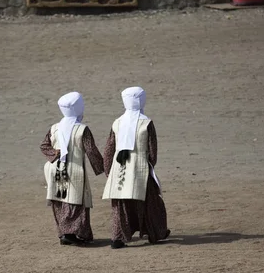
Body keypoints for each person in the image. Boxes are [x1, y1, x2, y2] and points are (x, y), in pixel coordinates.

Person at [102, 86, 170, 249]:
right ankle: (156, 232)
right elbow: (152, 151)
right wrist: (149, 165)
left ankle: (117, 237)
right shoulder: (146, 123)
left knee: (121, 205)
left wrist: (109, 170)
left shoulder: (117, 123)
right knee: (151, 201)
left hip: (119, 168)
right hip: (139, 168)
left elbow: (109, 149)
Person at [40, 92, 104, 246]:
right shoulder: (82, 130)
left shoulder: (54, 128)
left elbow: (44, 146)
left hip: (55, 169)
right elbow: (91, 151)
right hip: (73, 171)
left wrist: (54, 154)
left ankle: (64, 233)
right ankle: (76, 234)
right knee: (75, 202)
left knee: (60, 200)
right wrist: (103, 167)